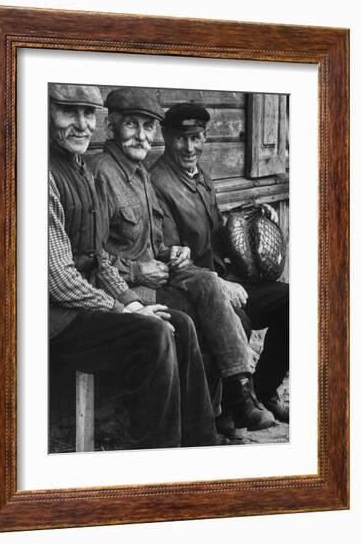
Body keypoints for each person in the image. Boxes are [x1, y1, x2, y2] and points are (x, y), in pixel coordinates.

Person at [89, 87, 275, 432]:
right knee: (215, 312)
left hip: (158, 276)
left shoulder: (141, 175)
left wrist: (174, 252)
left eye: (147, 127)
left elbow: (155, 242)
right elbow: (92, 257)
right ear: (111, 128)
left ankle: (235, 398)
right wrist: (136, 269)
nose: (141, 135)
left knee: (208, 285)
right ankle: (220, 413)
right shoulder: (101, 174)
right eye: (132, 125)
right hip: (127, 290)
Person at [48, 83, 218, 449]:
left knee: (178, 324)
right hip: (53, 319)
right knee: (152, 334)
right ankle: (156, 457)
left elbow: (100, 258)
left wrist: (134, 303)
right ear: (47, 113)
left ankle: (202, 447)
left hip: (86, 305)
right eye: (69, 112)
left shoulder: (80, 169)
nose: (81, 125)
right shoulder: (45, 173)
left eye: (88, 114)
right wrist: (124, 307)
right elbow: (59, 281)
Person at [149, 101, 289, 423]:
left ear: (205, 137)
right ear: (166, 136)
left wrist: (254, 214)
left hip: (225, 278)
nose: (189, 147)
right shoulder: (157, 183)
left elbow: (215, 230)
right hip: (195, 290)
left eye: (196, 137)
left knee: (292, 301)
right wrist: (221, 284)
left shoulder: (201, 175)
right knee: (238, 318)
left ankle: (264, 391)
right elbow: (169, 255)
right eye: (182, 138)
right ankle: (232, 409)